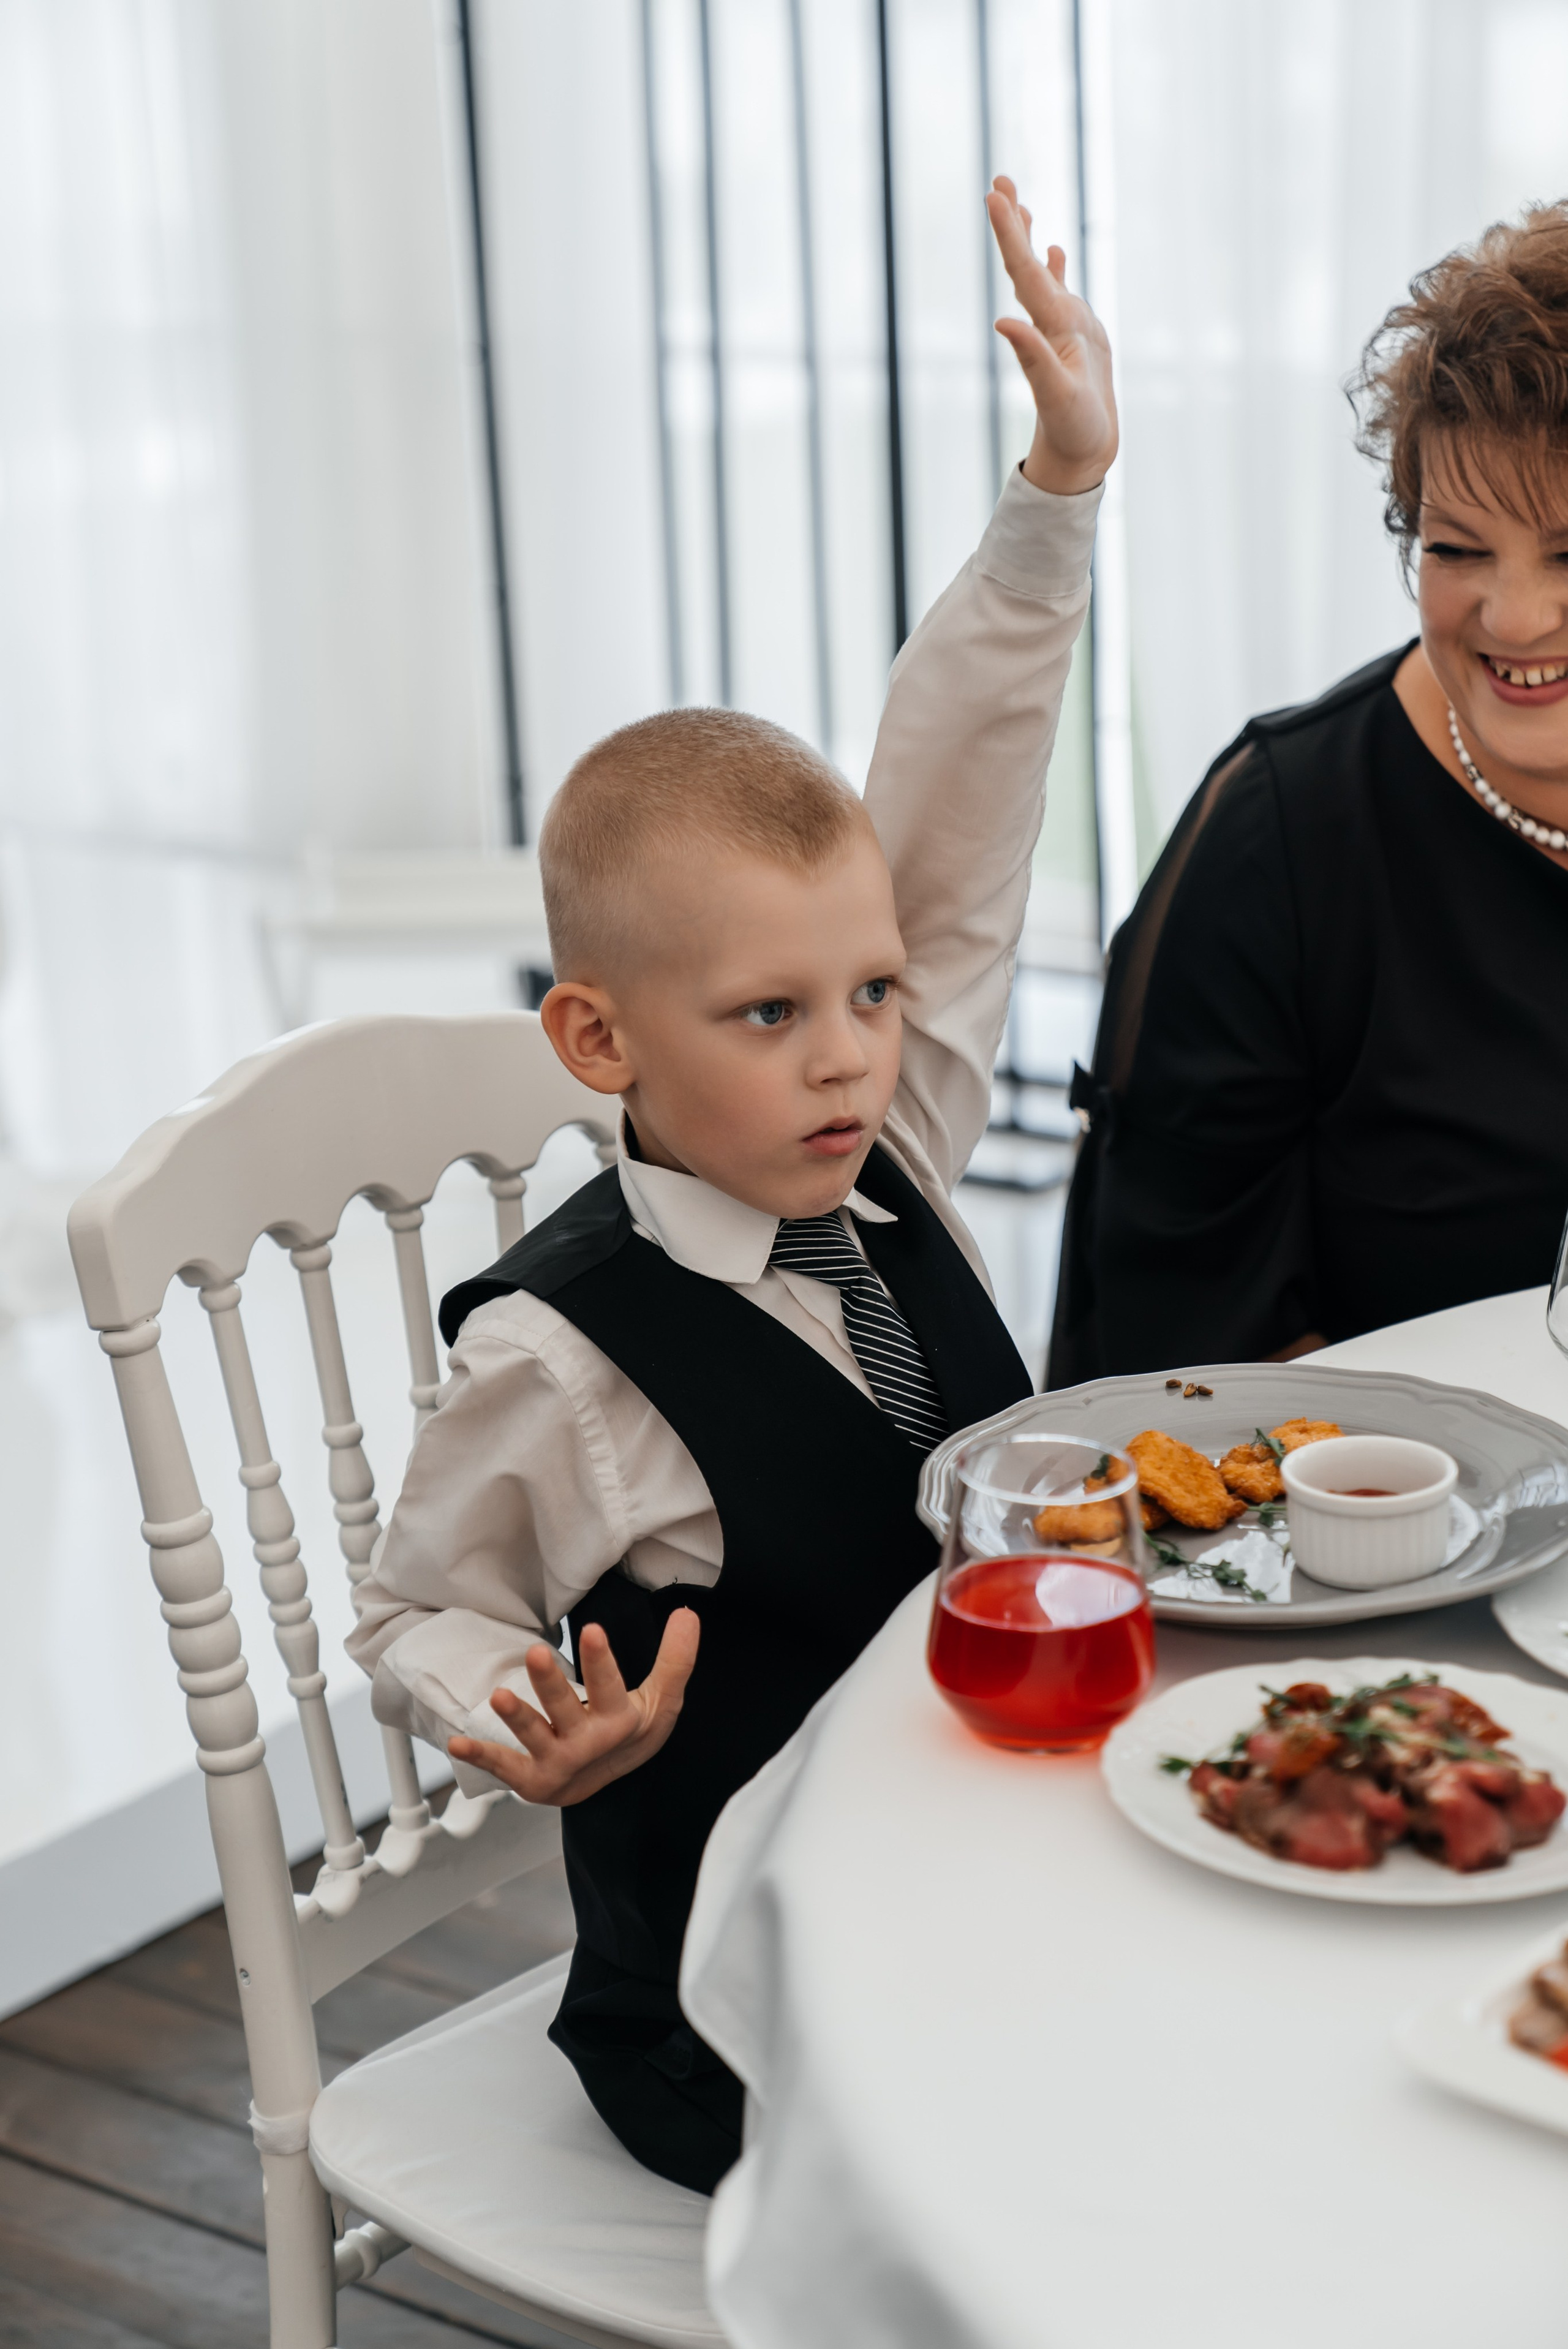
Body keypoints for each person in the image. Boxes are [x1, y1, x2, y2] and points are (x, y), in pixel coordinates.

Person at [347, 179, 1117, 2195]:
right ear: (602, 1045)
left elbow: (949, 825)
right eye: (771, 1013)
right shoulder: (562, 1357)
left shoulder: (895, 1162)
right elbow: (425, 1598)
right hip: (742, 2011)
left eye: (871, 995)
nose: (853, 1051)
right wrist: (517, 1713)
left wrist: (1054, 497)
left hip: (965, 1905)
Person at [1051, 201, 1568, 1387]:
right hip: (1398, 1526)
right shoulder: (1280, 835)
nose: (1511, 617)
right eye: (1453, 550)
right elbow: (1174, 1339)